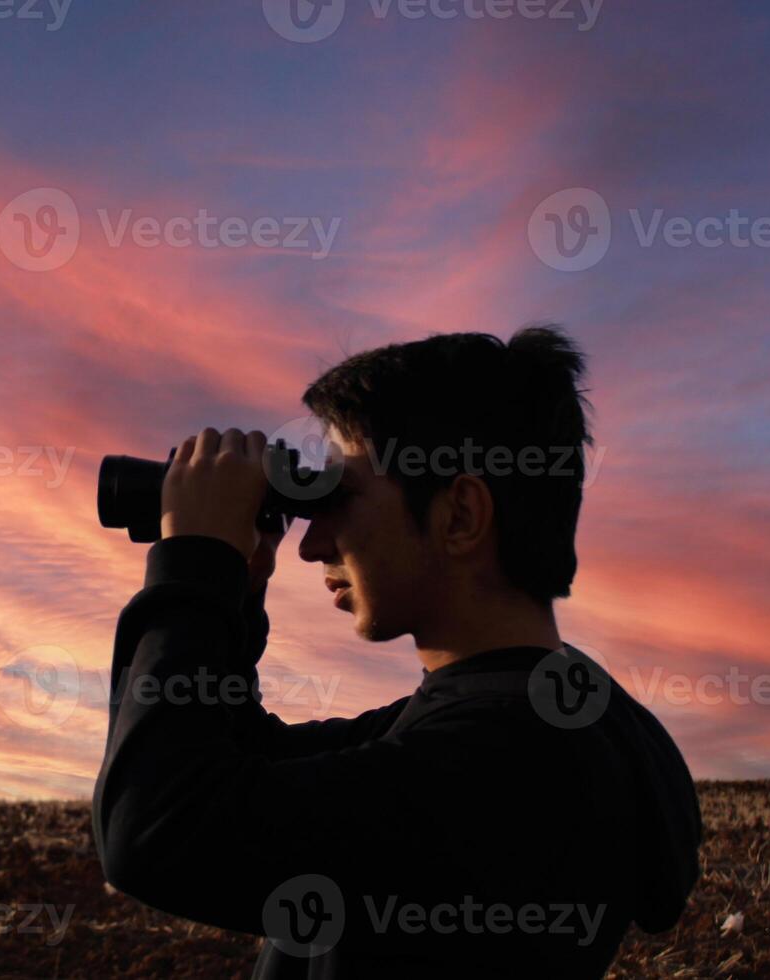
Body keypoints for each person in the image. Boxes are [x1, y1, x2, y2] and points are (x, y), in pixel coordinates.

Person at [91, 326, 702, 979]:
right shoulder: (536, 716)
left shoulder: (512, 762)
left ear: (461, 515)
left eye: (339, 498)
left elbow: (157, 829)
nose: (312, 544)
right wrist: (236, 589)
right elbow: (246, 759)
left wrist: (194, 567)